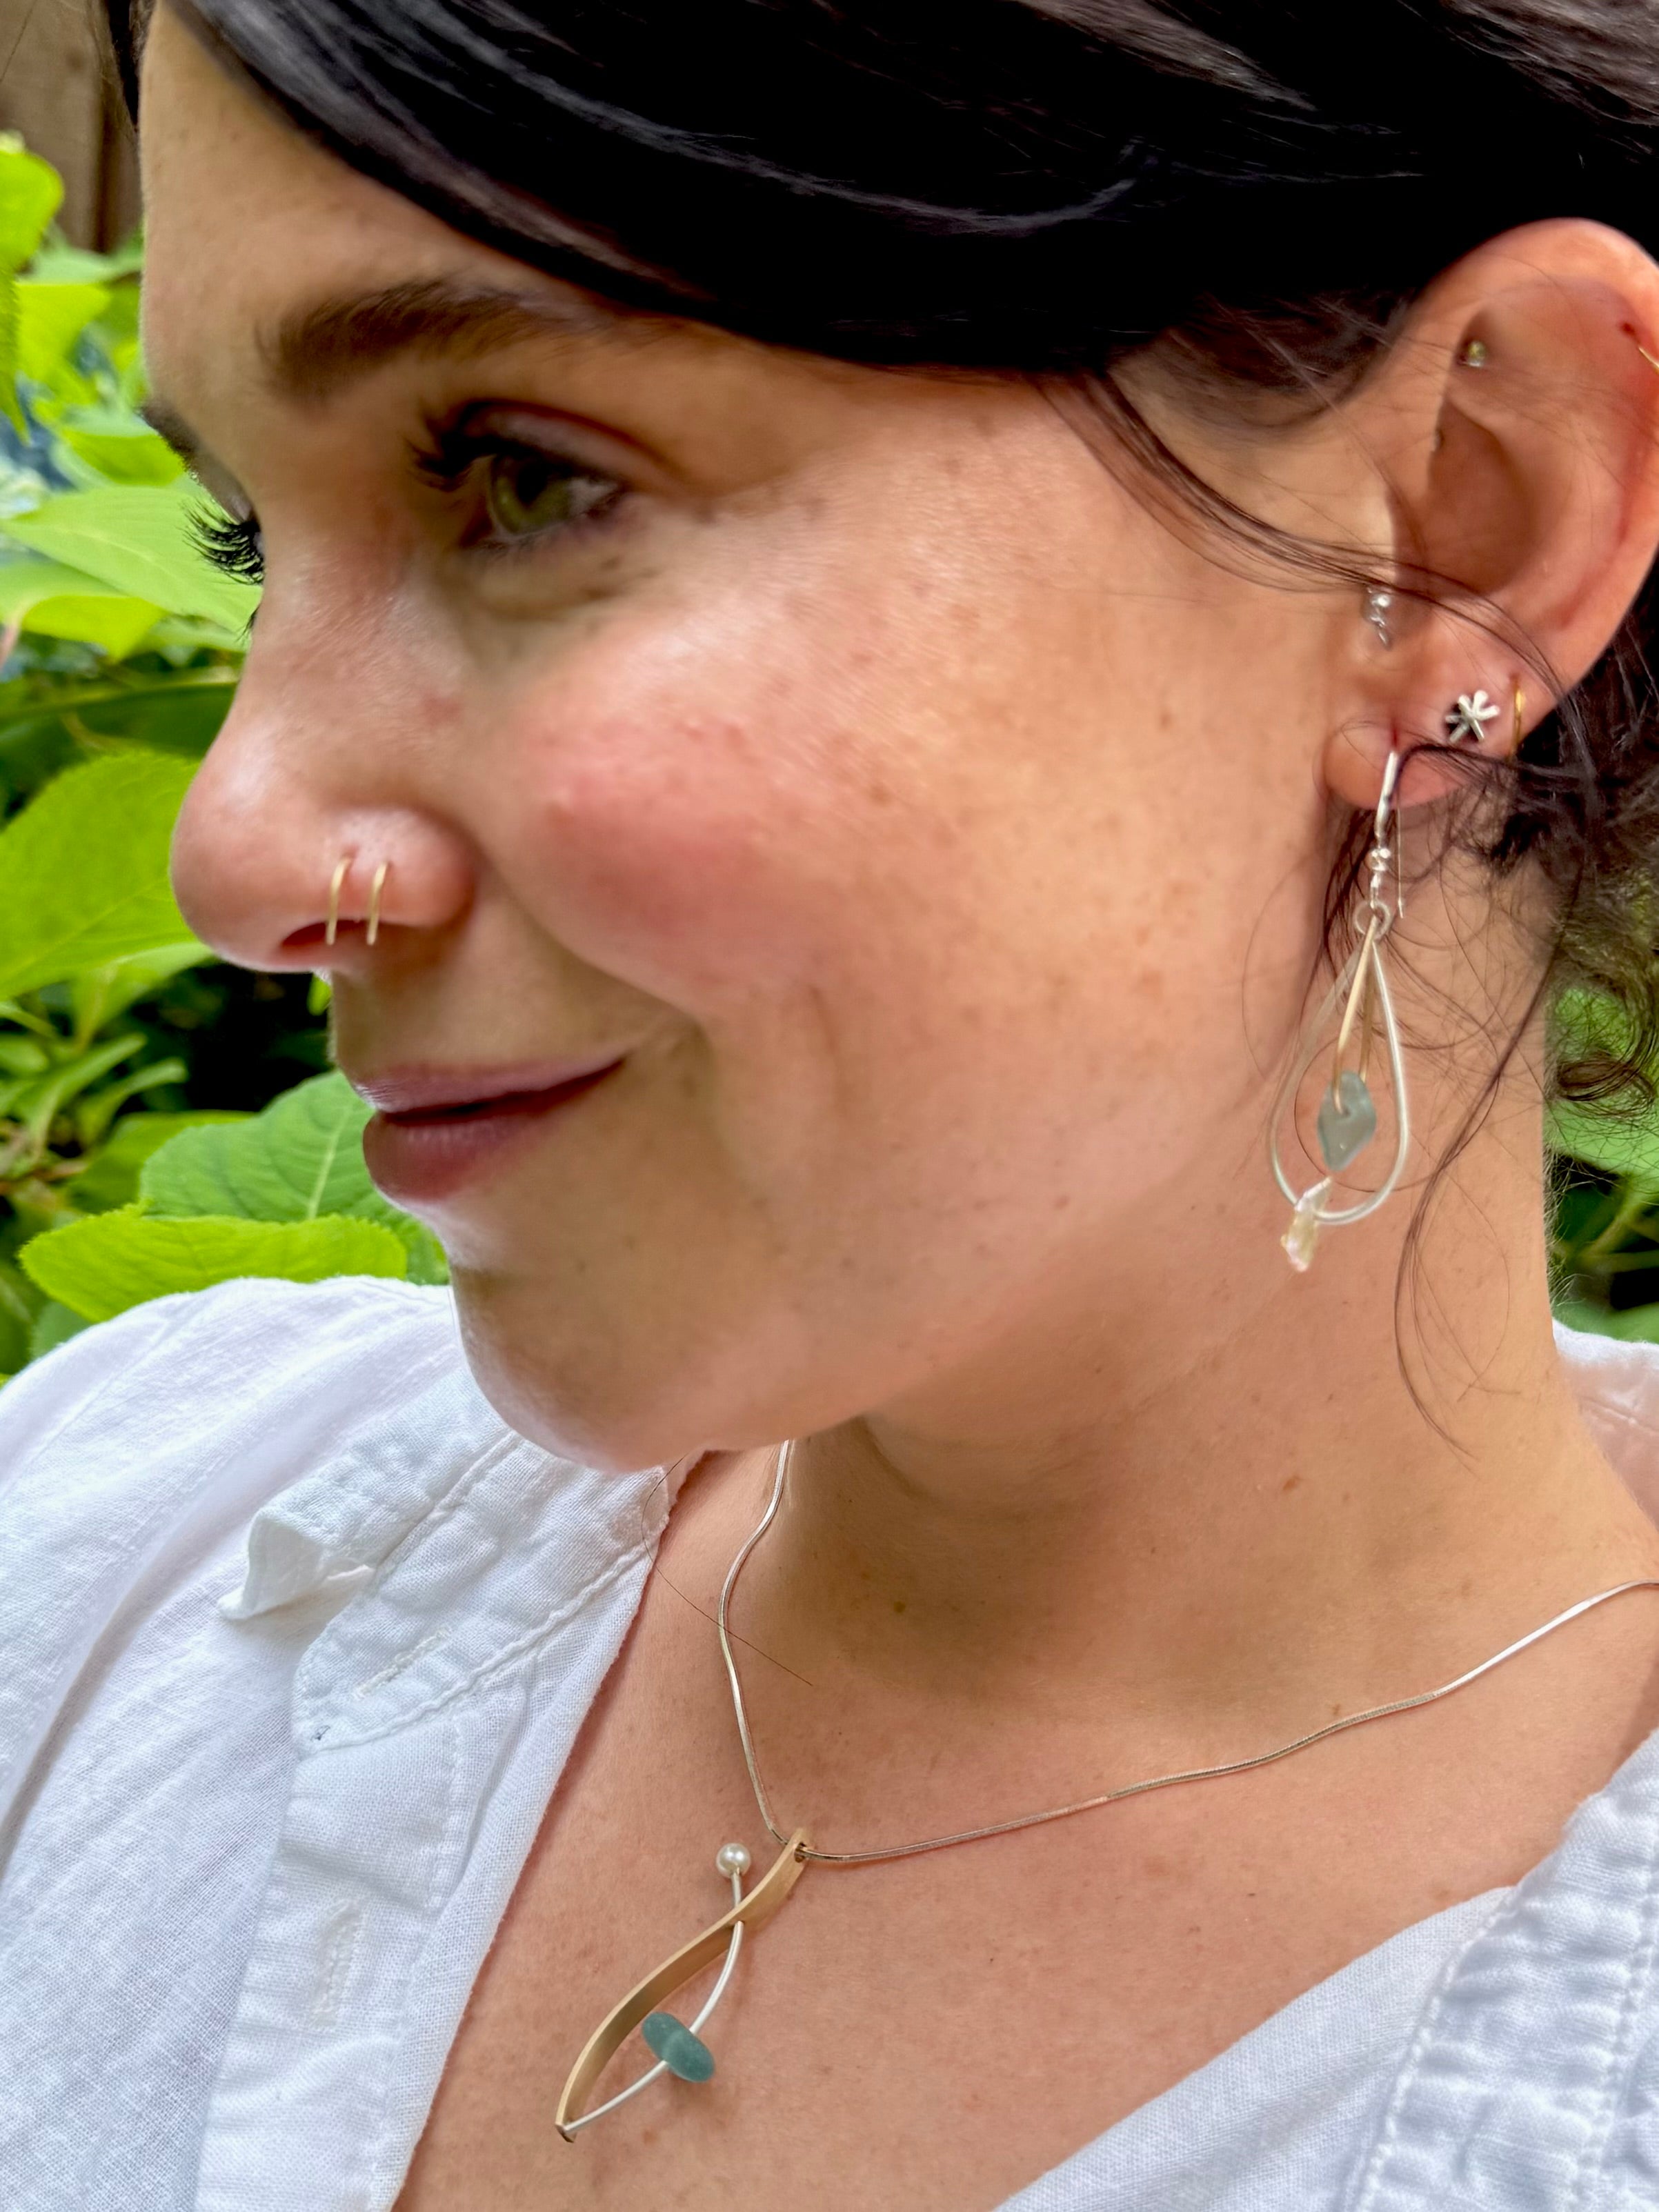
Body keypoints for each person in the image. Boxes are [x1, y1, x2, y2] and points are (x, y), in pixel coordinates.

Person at [10, 1, 1659, 2204]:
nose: (236, 847)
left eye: (523, 478)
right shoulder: (120, 1553)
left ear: (1462, 520)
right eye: (245, 546)